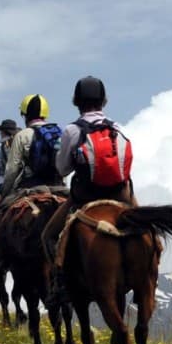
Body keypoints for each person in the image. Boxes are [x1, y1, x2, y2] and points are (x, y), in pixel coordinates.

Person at [40, 76, 136, 303]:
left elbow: (62, 169)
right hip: (121, 193)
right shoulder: (117, 128)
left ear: (76, 101)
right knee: (148, 228)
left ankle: (59, 285)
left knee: (48, 235)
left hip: (85, 196)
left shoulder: (73, 131)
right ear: (104, 101)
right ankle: (148, 277)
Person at [0, 94, 66, 197]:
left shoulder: (22, 135)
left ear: (25, 115)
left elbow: (12, 170)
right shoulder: (59, 132)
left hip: (31, 187)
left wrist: (3, 194)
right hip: (59, 186)